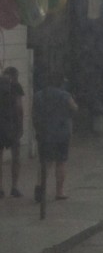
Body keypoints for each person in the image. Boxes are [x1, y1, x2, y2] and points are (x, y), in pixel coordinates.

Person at [33, 71, 78, 202]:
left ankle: (40, 188)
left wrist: (38, 129)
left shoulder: (39, 95)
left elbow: (34, 114)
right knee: (61, 161)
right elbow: (74, 108)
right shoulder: (65, 95)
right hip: (62, 133)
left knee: (45, 162)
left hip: (45, 132)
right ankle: (59, 191)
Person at [0, 66, 25, 198]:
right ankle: (14, 187)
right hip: (12, 126)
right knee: (16, 158)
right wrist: (21, 127)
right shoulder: (16, 86)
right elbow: (19, 107)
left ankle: (0, 188)